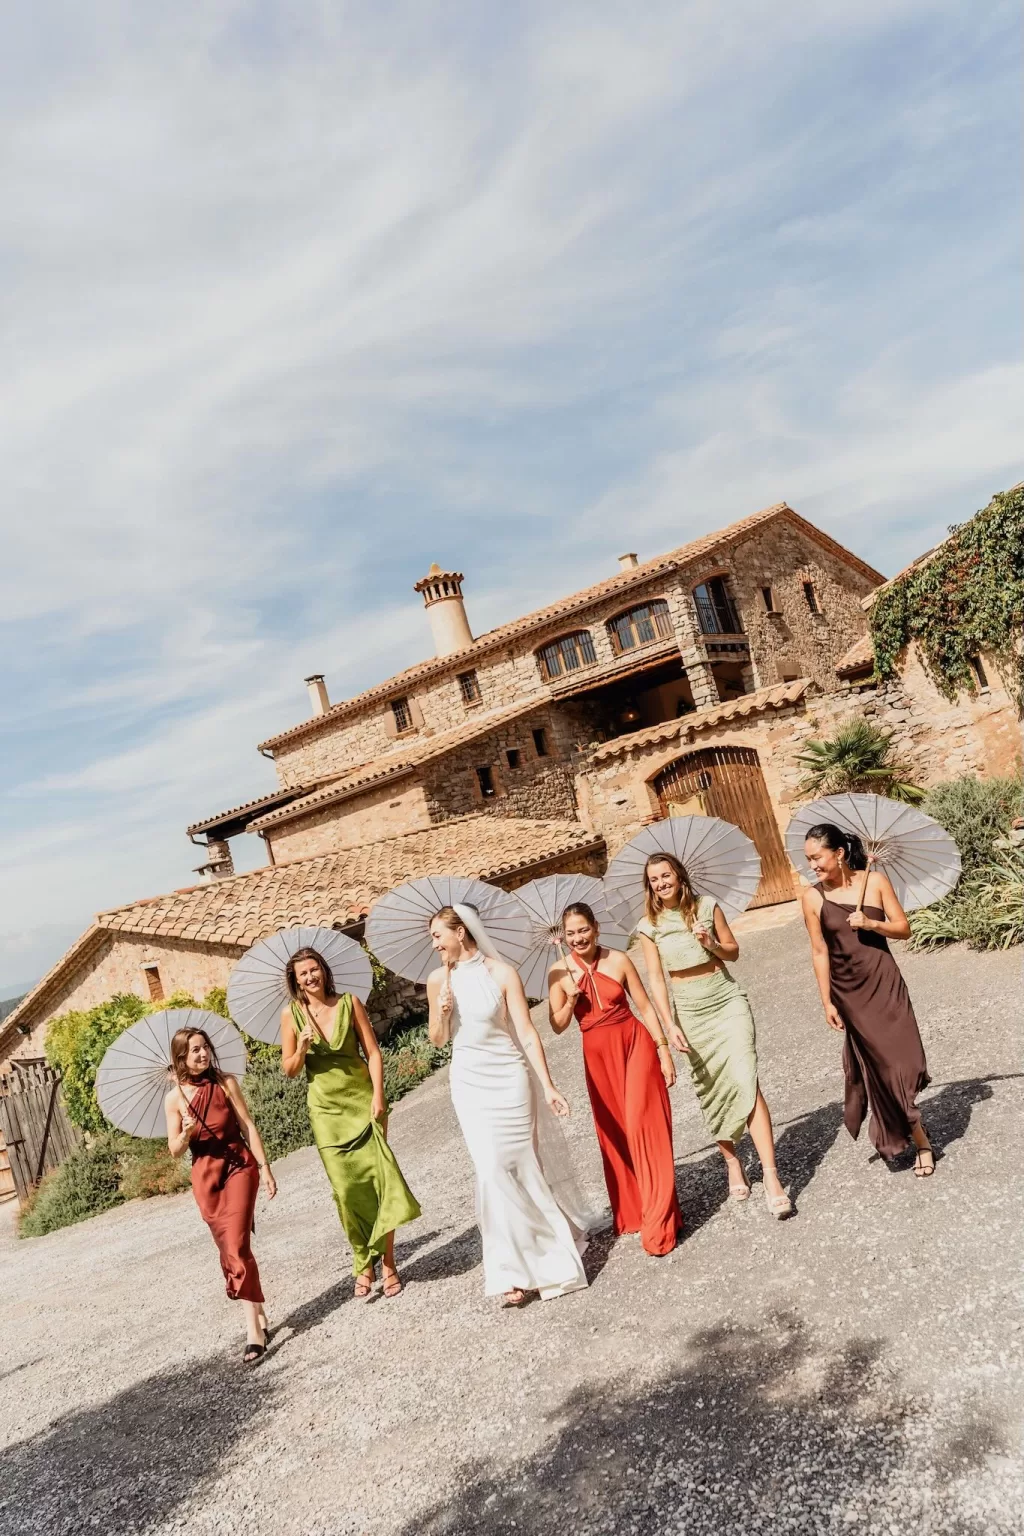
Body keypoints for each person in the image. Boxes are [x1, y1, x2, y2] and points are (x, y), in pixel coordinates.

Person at [427, 904, 590, 1306]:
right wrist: (442, 1013)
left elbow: (528, 1033)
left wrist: (548, 1087)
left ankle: (547, 1256)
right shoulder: (437, 980)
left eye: (437, 936)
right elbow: (436, 1040)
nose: (435, 945)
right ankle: (509, 1271)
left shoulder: (502, 974)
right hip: (468, 1083)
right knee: (490, 1170)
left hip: (509, 1079)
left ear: (460, 932)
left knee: (521, 1167)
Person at [636, 853, 792, 1217]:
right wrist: (669, 1024)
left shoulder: (707, 906)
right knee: (712, 1087)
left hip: (725, 998)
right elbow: (657, 980)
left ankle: (771, 1177)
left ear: (679, 875)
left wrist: (711, 944)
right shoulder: (649, 926)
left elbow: (733, 953)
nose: (661, 883)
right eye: (654, 879)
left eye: (665, 875)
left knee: (745, 1078)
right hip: (688, 1011)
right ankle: (733, 1162)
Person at [280, 947, 421, 1298]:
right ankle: (363, 1262)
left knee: (379, 1182)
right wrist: (300, 1048)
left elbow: (373, 1052)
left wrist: (378, 1096)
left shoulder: (349, 1003)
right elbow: (290, 1070)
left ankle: (388, 1263)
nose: (310, 977)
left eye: (314, 970)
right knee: (346, 1191)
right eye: (303, 974)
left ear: (324, 971)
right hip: (326, 1112)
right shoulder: (291, 1016)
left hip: (362, 1101)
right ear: (295, 981)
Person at [548, 902, 683, 1255]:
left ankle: (660, 1218)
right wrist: (570, 998)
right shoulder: (558, 973)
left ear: (595, 927)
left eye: (583, 930)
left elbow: (645, 1005)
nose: (578, 938)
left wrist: (663, 1050)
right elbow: (557, 1025)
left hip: (634, 1044)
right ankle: (636, 1209)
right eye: (571, 933)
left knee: (645, 1126)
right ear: (564, 936)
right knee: (618, 1134)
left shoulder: (619, 960)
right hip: (597, 1059)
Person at [800, 823, 934, 1175]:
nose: (812, 866)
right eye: (808, 860)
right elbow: (818, 951)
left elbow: (903, 929)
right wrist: (826, 1001)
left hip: (884, 982)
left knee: (908, 1061)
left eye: (817, 858)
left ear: (839, 853)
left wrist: (872, 924)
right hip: (849, 992)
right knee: (882, 1067)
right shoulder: (812, 897)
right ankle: (921, 1140)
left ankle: (908, 1119)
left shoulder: (875, 882)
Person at [164, 1027, 275, 1364]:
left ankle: (253, 1333)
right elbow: (173, 1150)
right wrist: (185, 1133)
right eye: (194, 1051)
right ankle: (258, 1311)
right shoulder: (174, 1099)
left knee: (238, 1245)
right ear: (181, 1058)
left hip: (239, 1167)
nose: (202, 1054)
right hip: (206, 1178)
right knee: (230, 1250)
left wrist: (265, 1166)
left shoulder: (226, 1083)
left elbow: (248, 1126)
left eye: (205, 1048)